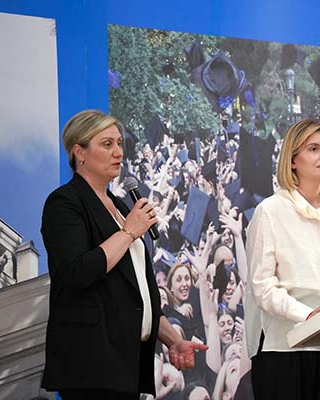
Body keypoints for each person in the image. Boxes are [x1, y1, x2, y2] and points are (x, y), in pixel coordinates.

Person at [40, 110, 207, 400]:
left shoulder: (119, 205)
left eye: (119, 143)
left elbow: (138, 291)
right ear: (79, 152)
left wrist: (173, 340)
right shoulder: (64, 202)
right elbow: (79, 271)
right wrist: (129, 232)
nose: (118, 152)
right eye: (107, 144)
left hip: (127, 362)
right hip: (91, 363)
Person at [245, 119, 320, 399]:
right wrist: (308, 316)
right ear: (293, 160)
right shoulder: (270, 211)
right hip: (284, 348)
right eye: (314, 148)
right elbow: (262, 287)